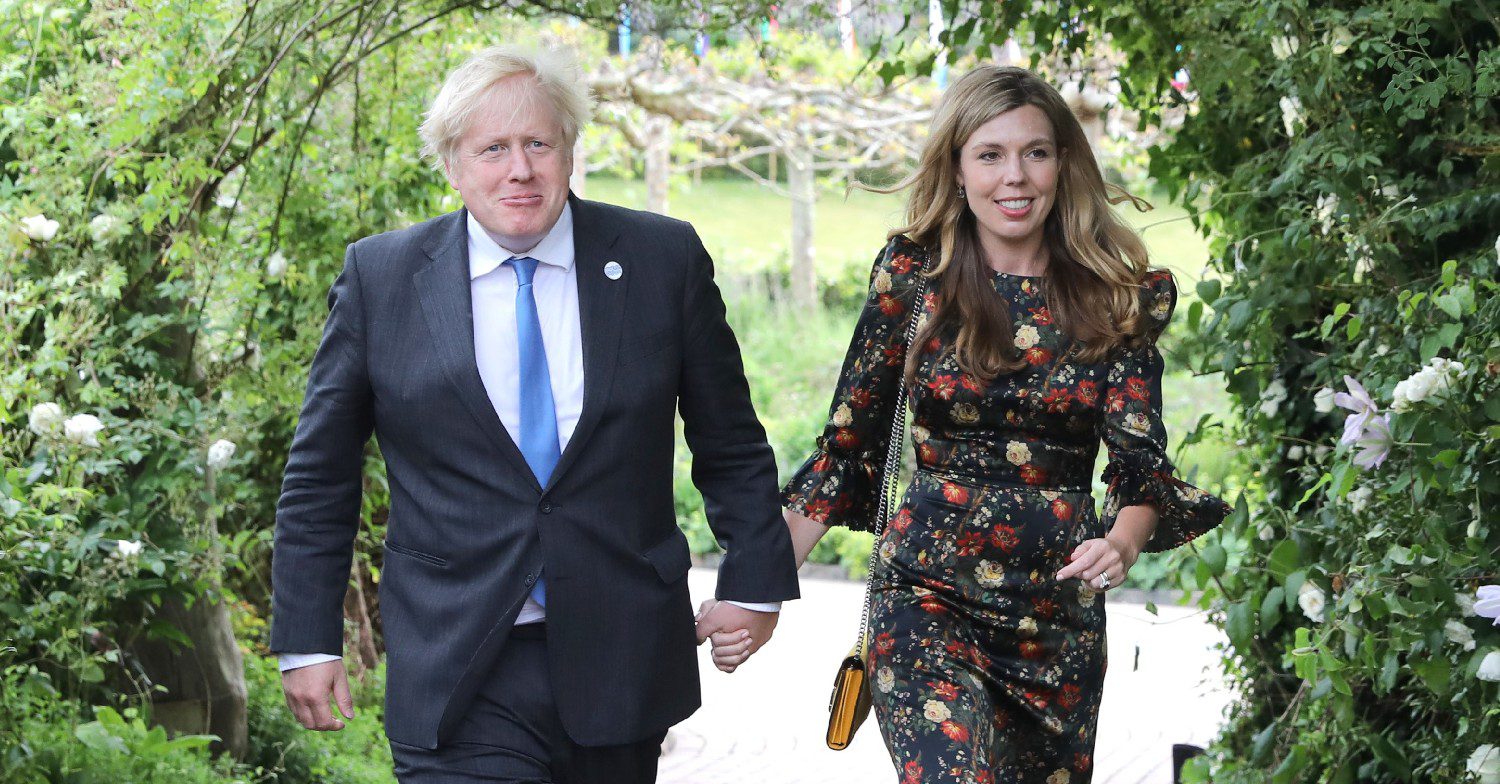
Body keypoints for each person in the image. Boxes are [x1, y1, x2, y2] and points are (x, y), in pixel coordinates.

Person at [269, 44, 799, 784]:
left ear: (569, 151)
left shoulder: (659, 260)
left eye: (537, 144)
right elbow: (320, 474)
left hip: (620, 656)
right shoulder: (382, 279)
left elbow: (730, 441)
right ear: (453, 165)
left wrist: (753, 579)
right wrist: (306, 637)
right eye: (492, 148)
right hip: (457, 662)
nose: (519, 169)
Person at [754, 65, 1232, 781]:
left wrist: (1123, 543)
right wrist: (752, 590)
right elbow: (847, 448)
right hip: (926, 598)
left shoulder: (1118, 297)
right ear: (956, 169)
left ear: (1062, 164)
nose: (1015, 176)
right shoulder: (915, 278)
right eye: (990, 154)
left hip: (1055, 623)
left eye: (1035, 152)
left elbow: (1139, 466)